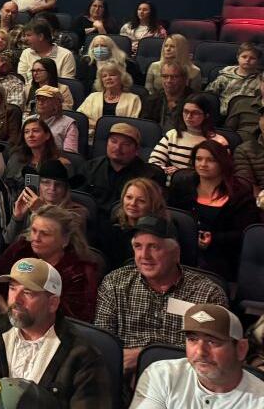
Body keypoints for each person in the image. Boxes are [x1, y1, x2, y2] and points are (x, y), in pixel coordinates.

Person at [0, 258, 111, 407]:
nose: (16, 299)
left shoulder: (82, 354)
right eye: (12, 288)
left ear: (52, 303)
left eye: (28, 292)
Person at [94, 216, 229, 372]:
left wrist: (144, 357)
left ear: (175, 253)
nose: (144, 255)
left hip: (184, 379)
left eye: (154, 247)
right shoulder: (115, 283)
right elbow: (103, 344)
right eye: (138, 246)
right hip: (123, 378)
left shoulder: (207, 294)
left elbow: (212, 354)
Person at [131, 303, 264, 407]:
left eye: (212, 341)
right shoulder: (161, 375)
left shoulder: (260, 399)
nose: (200, 351)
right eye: (192, 339)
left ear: (241, 349)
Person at [166, 139, 258, 281]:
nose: (203, 164)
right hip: (181, 251)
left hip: (222, 257)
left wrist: (213, 239)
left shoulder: (239, 193)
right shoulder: (182, 186)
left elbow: (245, 233)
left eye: (210, 160)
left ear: (222, 162)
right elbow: (168, 216)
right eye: (198, 159)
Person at [0, 206, 99, 322]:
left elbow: (73, 321)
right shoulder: (21, 249)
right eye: (34, 231)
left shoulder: (79, 272)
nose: (36, 238)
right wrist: (11, 320)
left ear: (65, 240)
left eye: (45, 234)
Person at [85, 122, 166, 214]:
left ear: (137, 150)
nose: (117, 148)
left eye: (126, 144)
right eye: (113, 141)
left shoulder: (150, 176)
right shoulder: (89, 167)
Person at [149, 93, 227, 179]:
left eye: (195, 113)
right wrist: (165, 170)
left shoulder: (218, 142)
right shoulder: (172, 135)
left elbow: (221, 173)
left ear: (206, 115)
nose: (189, 116)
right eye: (186, 111)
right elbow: (154, 162)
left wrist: (181, 174)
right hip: (171, 184)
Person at [77, 63, 142, 140]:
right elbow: (80, 118)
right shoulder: (93, 97)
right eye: (104, 76)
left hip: (122, 139)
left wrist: (100, 126)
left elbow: (133, 124)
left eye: (112, 75)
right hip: (92, 138)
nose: (108, 78)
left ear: (122, 78)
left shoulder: (133, 99)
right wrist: (102, 126)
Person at [204, 43, 262, 115]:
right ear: (238, 57)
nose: (247, 60)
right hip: (222, 112)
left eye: (252, 58)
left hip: (246, 114)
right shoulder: (225, 75)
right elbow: (209, 94)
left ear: (258, 61)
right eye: (244, 57)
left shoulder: (260, 80)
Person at [142, 60, 195, 132]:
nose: (169, 80)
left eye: (174, 77)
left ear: (184, 79)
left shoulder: (195, 102)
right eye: (165, 76)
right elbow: (145, 128)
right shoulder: (151, 100)